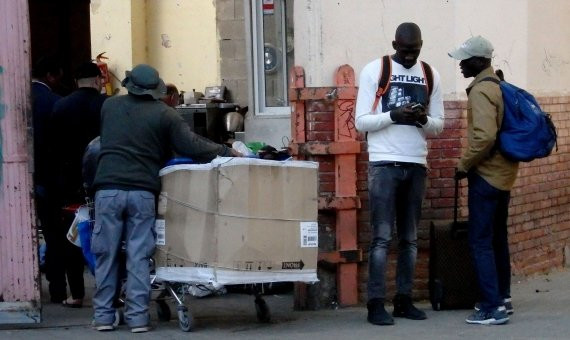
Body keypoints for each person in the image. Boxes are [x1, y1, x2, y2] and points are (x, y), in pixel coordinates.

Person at [90, 64, 241, 333]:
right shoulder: (165, 114)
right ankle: (137, 318)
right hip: (142, 192)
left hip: (108, 190)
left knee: (107, 254)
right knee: (138, 256)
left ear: (130, 84)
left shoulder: (109, 107)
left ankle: (104, 317)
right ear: (155, 89)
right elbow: (191, 146)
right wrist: (225, 150)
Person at [355, 22, 444, 326]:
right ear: (394, 44)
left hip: (416, 163)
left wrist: (421, 120)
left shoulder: (430, 74)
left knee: (409, 238)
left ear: (421, 44)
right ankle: (376, 304)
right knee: (381, 237)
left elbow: (439, 125)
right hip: (384, 163)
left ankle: (403, 300)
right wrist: (394, 115)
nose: (409, 56)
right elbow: (361, 122)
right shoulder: (375, 70)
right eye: (404, 50)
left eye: (415, 50)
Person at [449, 36, 518, 325]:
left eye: (465, 59)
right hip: (504, 175)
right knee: (497, 238)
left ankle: (492, 307)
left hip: (487, 177)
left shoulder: (480, 91)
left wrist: (463, 165)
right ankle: (502, 297)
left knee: (480, 241)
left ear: (478, 61)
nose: (461, 64)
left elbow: (485, 136)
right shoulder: (499, 85)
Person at [49, 61, 108, 308]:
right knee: (110, 233)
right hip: (104, 177)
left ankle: (76, 293)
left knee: (73, 235)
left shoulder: (60, 106)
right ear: (97, 80)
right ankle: (110, 290)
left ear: (75, 82)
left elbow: (53, 147)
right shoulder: (107, 106)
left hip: (70, 180)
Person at [31, 56, 65, 303]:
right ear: (51, 76)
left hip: (20, 175)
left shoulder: (15, 97)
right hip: (50, 179)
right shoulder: (56, 103)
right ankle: (56, 288)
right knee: (53, 234)